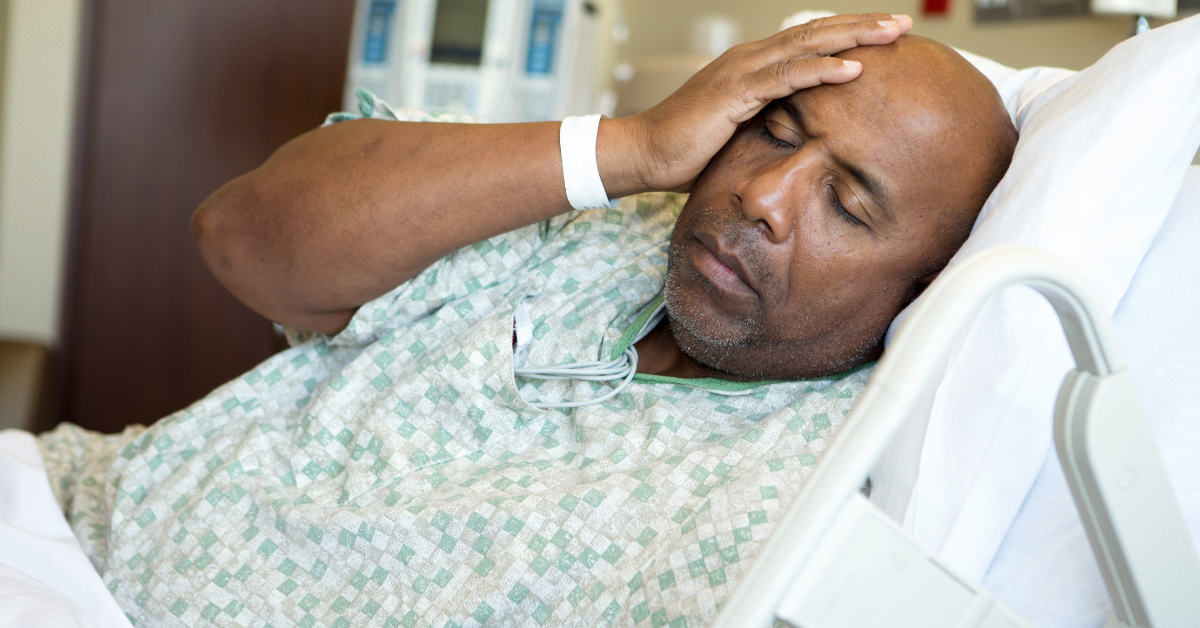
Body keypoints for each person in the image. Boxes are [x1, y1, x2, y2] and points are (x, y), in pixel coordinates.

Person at [38, 15, 1017, 628]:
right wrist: (628, 149)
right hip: (61, 517)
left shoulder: (815, 497)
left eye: (848, 205)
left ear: (924, 289)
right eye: (775, 129)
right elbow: (240, 240)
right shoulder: (583, 221)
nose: (764, 194)